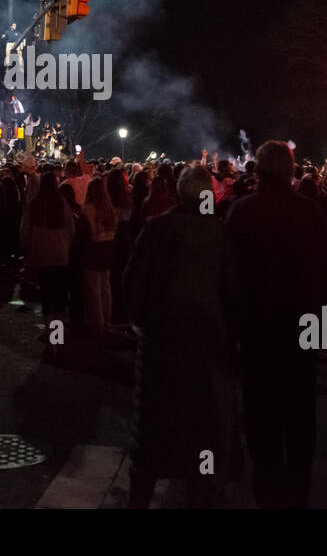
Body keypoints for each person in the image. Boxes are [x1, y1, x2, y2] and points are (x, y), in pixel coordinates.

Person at [225, 141, 327, 508]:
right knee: (300, 409)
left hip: (258, 328)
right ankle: (296, 489)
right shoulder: (310, 212)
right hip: (300, 326)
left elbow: (229, 274)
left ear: (258, 171)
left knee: (261, 413)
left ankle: (268, 488)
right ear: (290, 171)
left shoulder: (243, 211)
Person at [125, 165, 239, 506]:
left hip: (163, 346)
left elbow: (133, 286)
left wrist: (142, 322)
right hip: (207, 349)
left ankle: (141, 498)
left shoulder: (157, 229)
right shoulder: (220, 234)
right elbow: (234, 295)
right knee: (202, 432)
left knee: (153, 435)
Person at [22, 172, 75, 330]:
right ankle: (56, 334)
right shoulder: (62, 203)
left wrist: (27, 248)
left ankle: (49, 330)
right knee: (59, 293)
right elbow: (71, 229)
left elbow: (25, 230)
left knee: (46, 293)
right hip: (60, 253)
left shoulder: (34, 203)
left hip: (41, 253)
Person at [81, 176, 118, 335]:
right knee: (106, 285)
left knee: (93, 287)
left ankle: (97, 323)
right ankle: (107, 320)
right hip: (108, 245)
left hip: (94, 247)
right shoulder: (109, 207)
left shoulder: (88, 209)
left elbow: (84, 233)